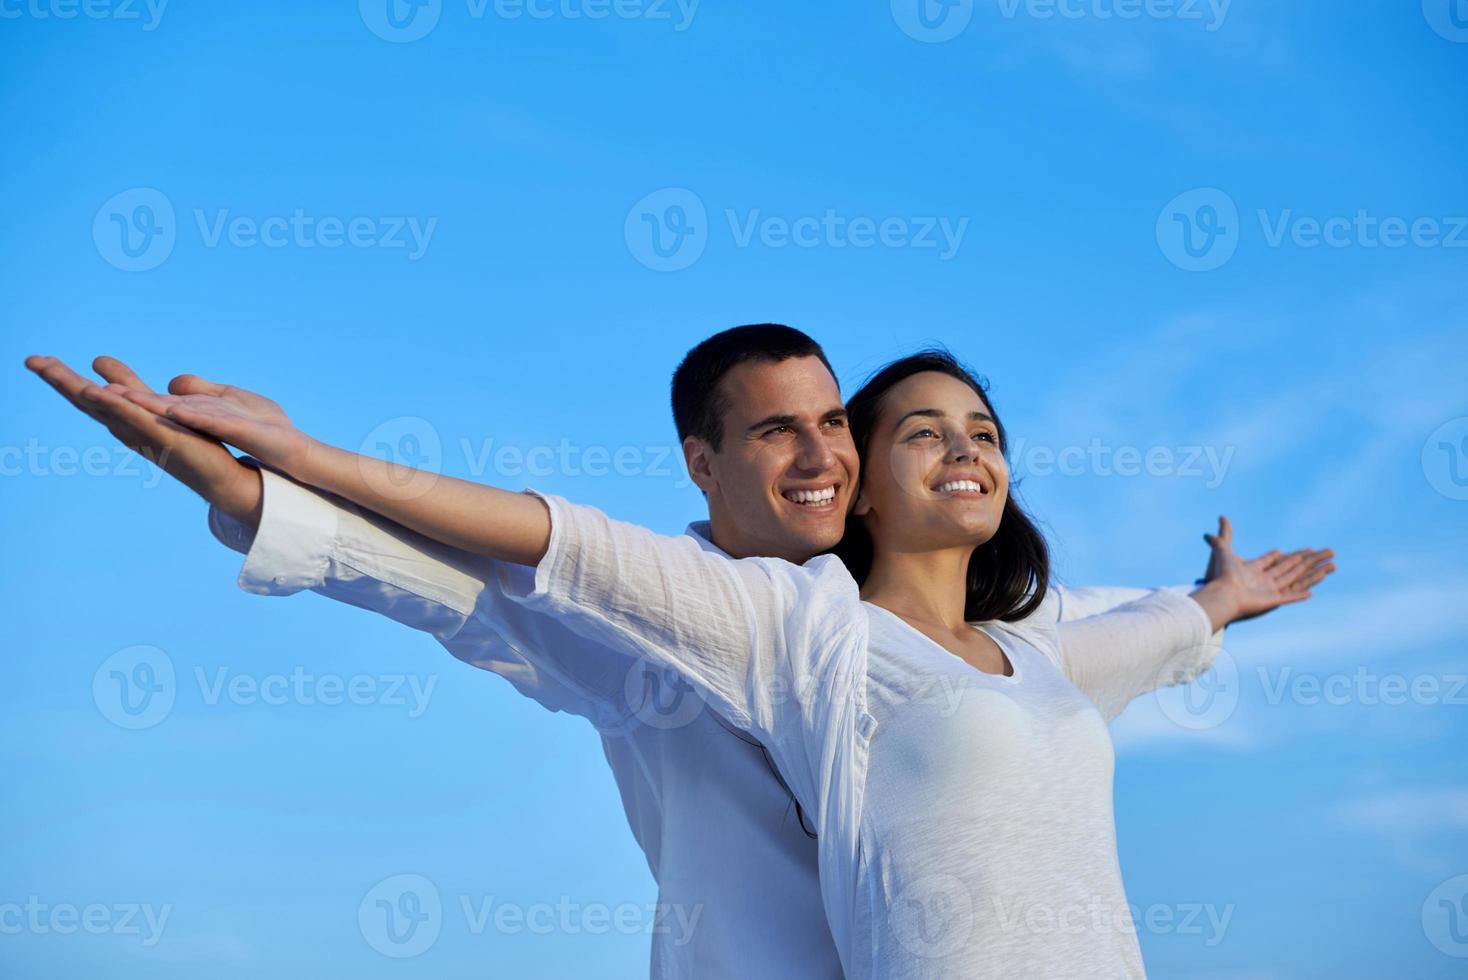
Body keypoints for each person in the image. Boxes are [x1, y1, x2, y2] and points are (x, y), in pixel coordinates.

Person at [50, 339, 1334, 977]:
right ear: (703, 463)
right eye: (779, 433)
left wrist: (1211, 604)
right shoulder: (675, 627)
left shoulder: (954, 636)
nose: (821, 454)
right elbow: (468, 575)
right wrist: (268, 473)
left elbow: (1090, 628)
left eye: (835, 422)